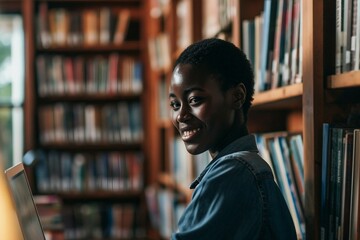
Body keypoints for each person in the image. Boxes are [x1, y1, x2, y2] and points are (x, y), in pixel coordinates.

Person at [168, 38, 297, 239]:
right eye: (175, 105)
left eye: (194, 100)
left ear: (237, 96)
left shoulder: (233, 173)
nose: (180, 115)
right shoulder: (244, 168)